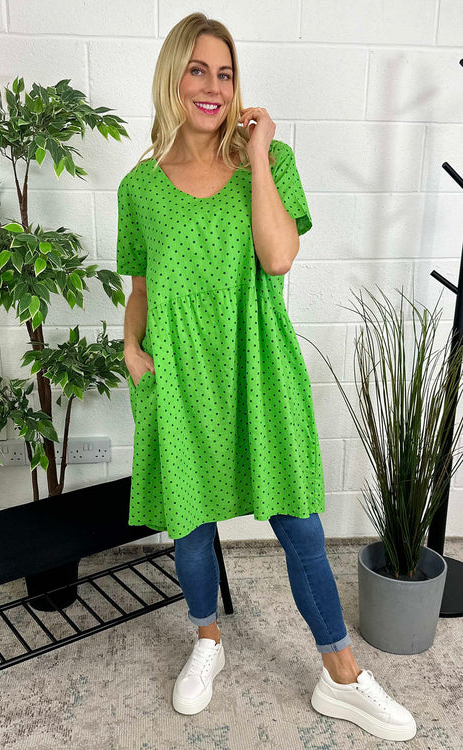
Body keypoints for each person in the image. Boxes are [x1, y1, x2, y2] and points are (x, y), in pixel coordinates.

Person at [116, 12, 417, 743]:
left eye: (225, 73)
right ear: (172, 78)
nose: (213, 86)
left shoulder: (270, 161)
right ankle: (207, 640)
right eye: (198, 70)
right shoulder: (139, 187)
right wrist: (130, 346)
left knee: (300, 526)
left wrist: (255, 155)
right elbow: (142, 286)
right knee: (191, 526)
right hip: (179, 375)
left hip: (258, 365)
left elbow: (278, 257)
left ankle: (339, 674)